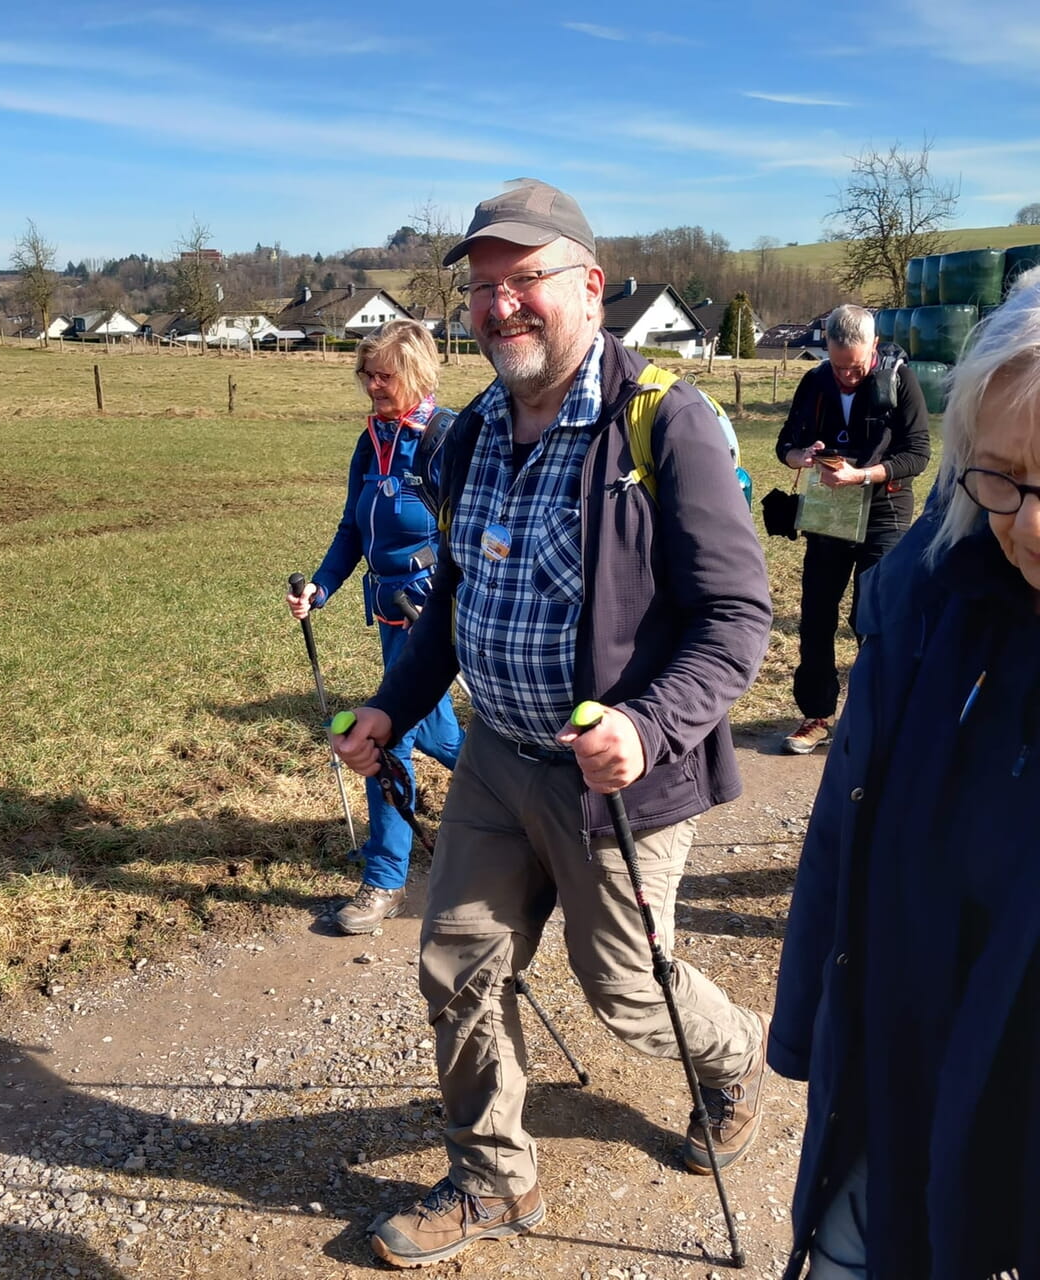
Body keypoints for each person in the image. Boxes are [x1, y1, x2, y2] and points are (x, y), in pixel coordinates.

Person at [331, 180, 773, 1268]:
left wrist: (648, 724)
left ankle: (734, 1061)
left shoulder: (662, 419)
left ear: (587, 283)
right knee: (457, 961)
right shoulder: (471, 430)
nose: (499, 306)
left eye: (523, 279)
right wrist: (394, 704)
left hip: (619, 780)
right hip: (494, 757)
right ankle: (494, 1175)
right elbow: (454, 602)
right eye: (482, 288)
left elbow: (736, 616)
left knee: (625, 987)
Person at [769, 268, 1040, 1279]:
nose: (1030, 527)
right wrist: (804, 1029)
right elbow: (847, 828)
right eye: (1003, 477)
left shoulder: (901, 393)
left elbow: (911, 456)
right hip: (899, 1082)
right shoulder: (931, 612)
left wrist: (872, 478)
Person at [286, 319, 464, 935]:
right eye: (365, 374)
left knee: (392, 739)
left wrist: (447, 600)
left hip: (435, 616)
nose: (371, 385)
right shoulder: (371, 440)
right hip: (389, 612)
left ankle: (385, 879)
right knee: (438, 736)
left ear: (415, 372)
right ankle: (519, 807)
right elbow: (352, 529)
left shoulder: (448, 438)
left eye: (383, 375)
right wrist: (322, 585)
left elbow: (473, 535)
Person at [775, 305, 930, 754]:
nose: (846, 376)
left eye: (856, 366)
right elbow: (786, 442)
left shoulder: (901, 380)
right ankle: (816, 715)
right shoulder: (814, 382)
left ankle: (880, 713)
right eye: (838, 365)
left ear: (875, 347)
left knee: (874, 616)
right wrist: (800, 456)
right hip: (829, 515)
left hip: (885, 512)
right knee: (817, 615)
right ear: (827, 349)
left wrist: (864, 474)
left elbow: (918, 453)